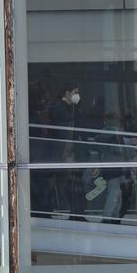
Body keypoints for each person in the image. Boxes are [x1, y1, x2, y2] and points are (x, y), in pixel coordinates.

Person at [48, 84, 85, 219]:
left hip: (71, 151)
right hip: (63, 152)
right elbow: (64, 127)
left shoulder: (72, 108)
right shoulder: (59, 108)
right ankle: (65, 208)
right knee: (65, 182)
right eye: (75, 92)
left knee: (74, 182)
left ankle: (76, 211)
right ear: (67, 93)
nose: (77, 95)